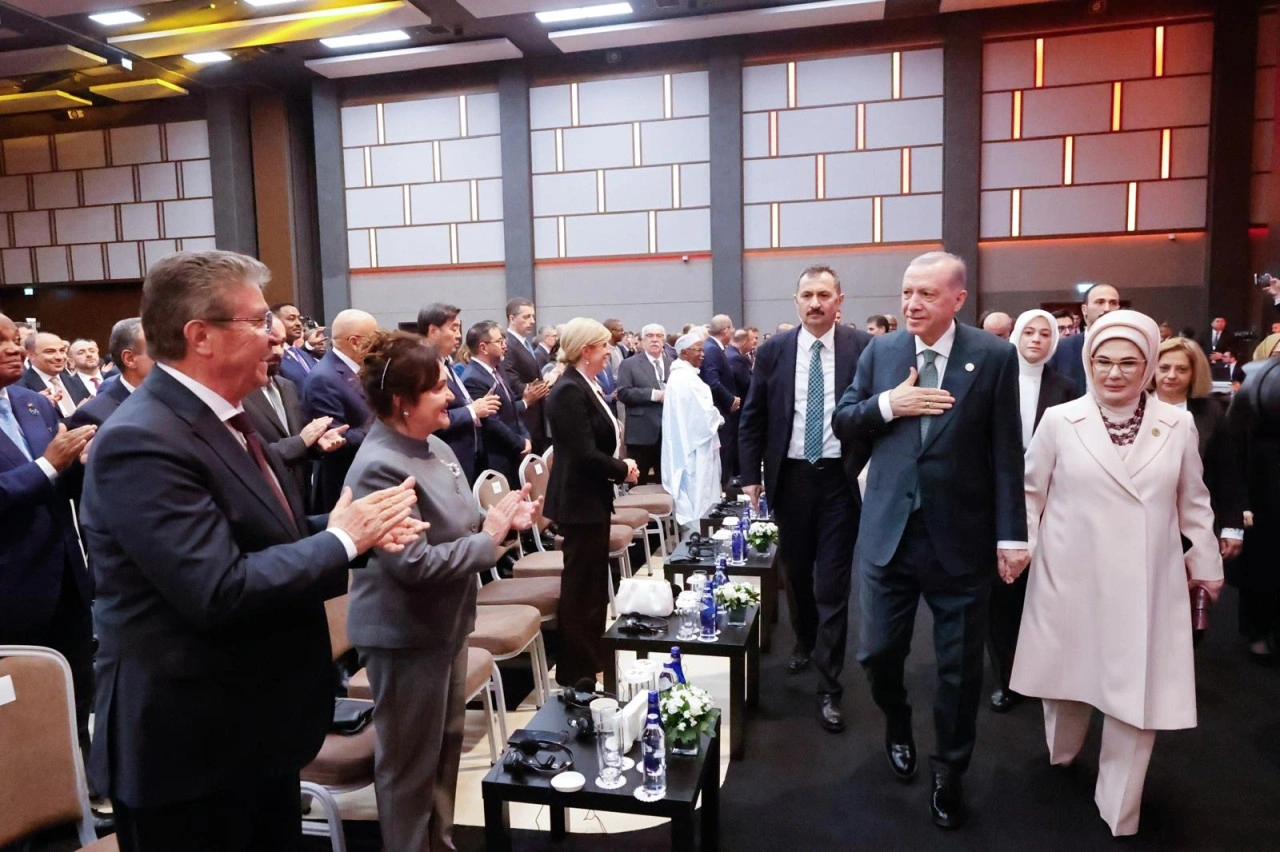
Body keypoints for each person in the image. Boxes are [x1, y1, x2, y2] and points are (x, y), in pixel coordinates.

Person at [79, 250, 424, 851]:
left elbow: (266, 534)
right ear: (200, 336)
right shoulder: (141, 438)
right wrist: (344, 539)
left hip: (251, 726)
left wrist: (351, 531)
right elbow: (218, 587)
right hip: (189, 747)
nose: (278, 334)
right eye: (259, 320)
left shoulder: (227, 417)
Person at [1010, 310, 1223, 837]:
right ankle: (1062, 752)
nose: (1114, 372)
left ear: (1149, 365)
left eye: (1129, 362)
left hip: (1146, 580)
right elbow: (1031, 492)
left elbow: (1193, 500)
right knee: (1065, 679)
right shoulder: (1061, 420)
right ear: (1087, 361)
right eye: (1103, 361)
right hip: (1070, 572)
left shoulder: (1177, 424)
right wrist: (1020, 548)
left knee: (1136, 695)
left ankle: (1119, 807)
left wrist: (1205, 562)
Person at [833, 251, 1026, 830]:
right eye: (906, 292)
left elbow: (1005, 451)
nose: (912, 304)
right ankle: (897, 721)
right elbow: (844, 419)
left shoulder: (993, 356)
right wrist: (889, 404)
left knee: (959, 670)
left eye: (926, 294)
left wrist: (1011, 535)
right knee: (876, 654)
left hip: (960, 539)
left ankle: (949, 770)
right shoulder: (882, 352)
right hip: (888, 534)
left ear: (958, 299)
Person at [345, 331, 538, 851]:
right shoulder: (380, 466)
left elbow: (465, 523)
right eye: (436, 388)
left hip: (445, 624)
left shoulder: (433, 445)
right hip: (404, 636)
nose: (450, 396)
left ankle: (439, 842)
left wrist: (505, 523)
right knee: (410, 765)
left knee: (444, 749)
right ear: (402, 402)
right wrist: (488, 539)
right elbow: (413, 564)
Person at [739, 264, 872, 732]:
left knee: (832, 583)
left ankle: (830, 686)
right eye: (807, 295)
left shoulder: (863, 348)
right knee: (795, 573)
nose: (815, 303)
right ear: (796, 301)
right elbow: (753, 416)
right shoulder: (773, 351)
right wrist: (749, 476)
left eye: (824, 295)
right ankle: (805, 639)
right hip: (790, 478)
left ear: (839, 301)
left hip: (840, 480)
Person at [0, 312, 98, 801]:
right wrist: (48, 465)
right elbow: (35, 476)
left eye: (15, 339)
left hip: (65, 576)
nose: (13, 348)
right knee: (19, 712)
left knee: (76, 692)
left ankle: (83, 792)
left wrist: (82, 463)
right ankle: (29, 811)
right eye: (0, 341)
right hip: (10, 586)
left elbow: (60, 484)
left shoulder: (33, 403)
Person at [986, 310, 1076, 714]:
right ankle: (1006, 676)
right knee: (1001, 590)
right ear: (1016, 336)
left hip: (1049, 499)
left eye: (1045, 333)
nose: (1036, 339)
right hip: (995, 494)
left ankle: (1040, 670)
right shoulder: (993, 378)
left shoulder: (1066, 387)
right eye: (1029, 332)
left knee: (1039, 591)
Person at [544, 318, 638, 686]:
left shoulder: (585, 383)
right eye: (602, 347)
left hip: (591, 497)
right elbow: (582, 453)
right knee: (581, 589)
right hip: (579, 500)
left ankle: (592, 659)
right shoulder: (568, 390)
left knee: (594, 585)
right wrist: (622, 469)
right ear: (585, 350)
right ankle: (577, 670)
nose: (608, 352)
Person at [1152, 337, 1245, 559]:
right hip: (1144, 520)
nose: (1171, 375)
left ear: (1194, 373)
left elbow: (1227, 473)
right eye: (1164, 368)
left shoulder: (1212, 412)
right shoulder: (1134, 407)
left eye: (1182, 369)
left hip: (1194, 522)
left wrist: (1232, 527)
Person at [245, 317, 349, 507]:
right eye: (271, 343)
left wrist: (317, 443)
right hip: (264, 502)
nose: (278, 351)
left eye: (282, 343)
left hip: (299, 500)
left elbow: (299, 439)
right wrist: (301, 442)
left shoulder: (287, 386)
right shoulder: (238, 394)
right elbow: (247, 458)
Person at [1227, 345, 1280, 662]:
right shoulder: (1256, 374)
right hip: (1263, 481)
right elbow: (1235, 441)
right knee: (1260, 563)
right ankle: (1257, 632)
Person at [418, 303, 501, 485]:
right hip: (444, 459)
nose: (458, 335)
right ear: (433, 331)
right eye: (453, 328)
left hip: (466, 456)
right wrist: (471, 411)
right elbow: (428, 418)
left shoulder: (446, 362)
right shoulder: (422, 366)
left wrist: (476, 407)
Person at [303, 309, 376, 512]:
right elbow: (335, 438)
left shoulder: (363, 369)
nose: (379, 344)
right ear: (355, 342)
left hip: (367, 474)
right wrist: (385, 427)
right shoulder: (324, 378)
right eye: (374, 338)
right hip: (344, 486)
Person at [662, 330, 723, 530]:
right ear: (684, 353)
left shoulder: (686, 375)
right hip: (694, 444)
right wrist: (718, 417)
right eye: (698, 350)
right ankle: (700, 530)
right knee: (698, 489)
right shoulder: (684, 378)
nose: (702, 354)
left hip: (693, 440)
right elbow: (702, 415)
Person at [463, 320, 530, 488]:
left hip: (512, 451)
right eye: (500, 341)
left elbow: (512, 407)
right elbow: (492, 422)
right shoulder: (473, 378)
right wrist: (519, 443)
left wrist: (525, 436)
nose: (505, 345)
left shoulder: (498, 369)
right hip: (496, 456)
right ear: (483, 347)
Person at [67, 318, 154, 430]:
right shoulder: (93, 415)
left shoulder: (172, 394)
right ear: (130, 359)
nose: (172, 357)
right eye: (160, 351)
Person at [616, 323, 671, 485]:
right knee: (638, 483)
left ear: (664, 340)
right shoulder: (629, 364)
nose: (654, 340)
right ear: (642, 340)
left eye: (659, 336)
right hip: (641, 434)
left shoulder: (672, 364)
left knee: (666, 483)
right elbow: (623, 393)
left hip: (668, 433)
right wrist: (654, 395)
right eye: (650, 336)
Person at [1048, 283, 1121, 395]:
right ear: (1084, 309)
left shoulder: (1129, 347)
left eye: (1113, 303)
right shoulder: (1062, 348)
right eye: (1100, 302)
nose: (1107, 308)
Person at [502, 298, 549, 452]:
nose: (532, 321)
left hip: (536, 413)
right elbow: (511, 379)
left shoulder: (524, 343)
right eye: (526, 317)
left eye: (533, 316)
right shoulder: (507, 344)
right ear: (512, 318)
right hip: (524, 415)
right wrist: (536, 389)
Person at [700, 314, 740, 486]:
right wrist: (731, 400)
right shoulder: (712, 349)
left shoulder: (714, 347)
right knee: (723, 453)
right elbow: (713, 381)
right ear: (725, 330)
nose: (733, 332)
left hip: (722, 409)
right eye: (732, 328)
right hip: (720, 410)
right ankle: (722, 490)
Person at [21, 330, 89, 417]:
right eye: (50, 351)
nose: (59, 357)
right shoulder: (21, 387)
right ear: (31, 355)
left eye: (62, 351)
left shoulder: (75, 382)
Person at [272, 302, 318, 387]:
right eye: (291, 319)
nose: (299, 323)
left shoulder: (305, 355)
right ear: (276, 322)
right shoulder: (274, 357)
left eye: (299, 319)